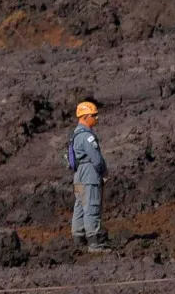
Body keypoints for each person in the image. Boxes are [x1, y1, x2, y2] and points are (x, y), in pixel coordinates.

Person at [67, 101, 109, 253]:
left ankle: (78, 237)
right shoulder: (86, 136)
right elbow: (96, 158)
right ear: (85, 117)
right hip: (88, 173)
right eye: (94, 115)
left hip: (78, 174)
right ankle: (94, 242)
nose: (96, 118)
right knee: (91, 204)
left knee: (80, 204)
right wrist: (103, 171)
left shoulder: (75, 135)